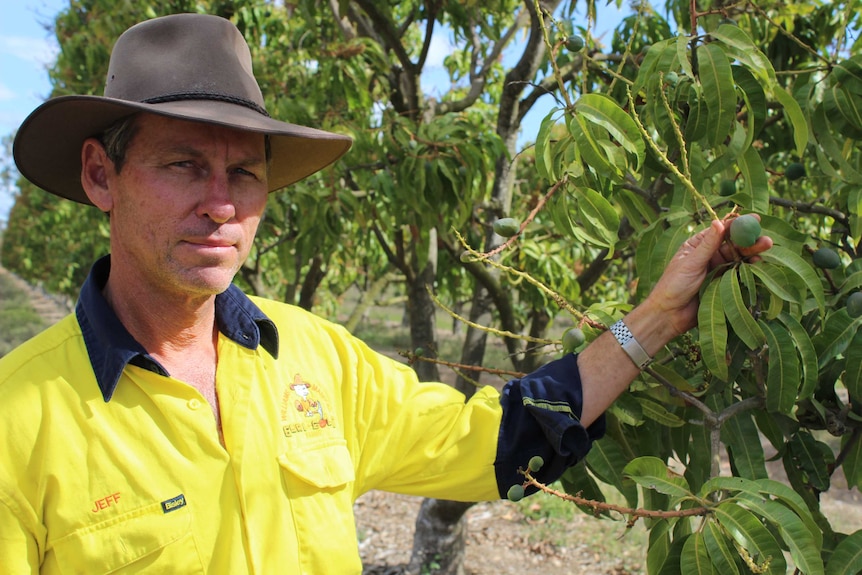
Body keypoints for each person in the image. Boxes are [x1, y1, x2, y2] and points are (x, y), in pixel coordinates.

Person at [0, 13, 771, 575]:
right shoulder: (19, 419)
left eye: (245, 173)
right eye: (181, 165)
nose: (221, 204)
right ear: (102, 176)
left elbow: (489, 440)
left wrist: (661, 313)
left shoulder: (313, 355)